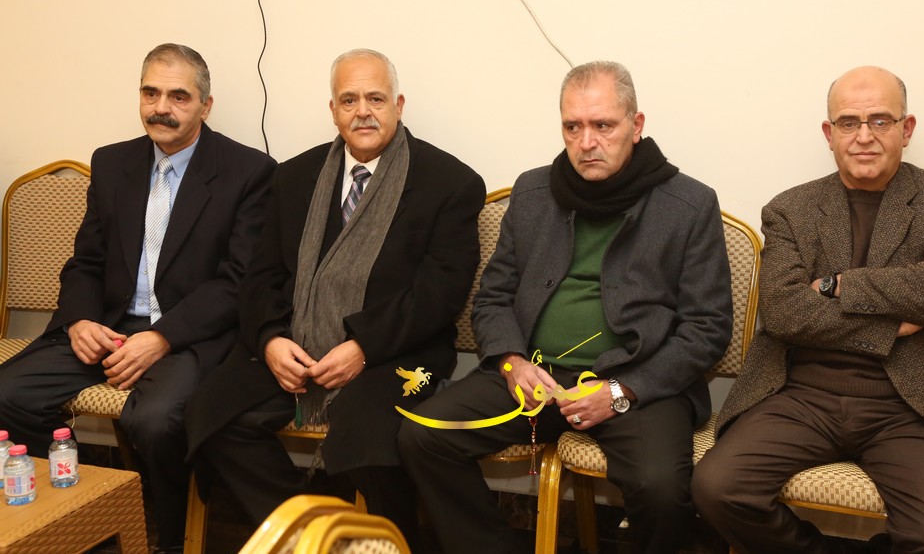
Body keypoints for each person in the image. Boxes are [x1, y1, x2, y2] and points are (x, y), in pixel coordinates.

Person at [398, 60, 734, 553]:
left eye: (603, 125)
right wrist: (511, 362)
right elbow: (493, 297)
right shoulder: (534, 192)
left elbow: (707, 328)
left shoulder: (687, 204)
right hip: (534, 378)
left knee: (661, 488)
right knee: (422, 438)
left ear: (636, 125)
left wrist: (620, 390)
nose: (586, 142)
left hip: (637, 383)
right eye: (572, 127)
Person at [184, 48, 486, 547]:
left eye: (375, 98)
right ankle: (314, 534)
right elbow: (259, 277)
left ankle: (389, 543)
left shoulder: (450, 183)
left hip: (396, 352)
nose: (362, 111)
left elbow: (439, 295)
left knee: (369, 438)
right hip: (295, 345)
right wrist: (270, 341)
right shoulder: (292, 177)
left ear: (398, 105)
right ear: (333, 110)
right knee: (211, 416)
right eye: (349, 100)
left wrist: (363, 348)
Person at [692, 66, 924, 554]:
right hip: (800, 395)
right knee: (717, 489)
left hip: (913, 404)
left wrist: (835, 284)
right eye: (849, 122)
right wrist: (894, 323)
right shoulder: (790, 208)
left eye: (880, 120)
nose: (864, 136)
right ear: (829, 133)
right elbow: (784, 311)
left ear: (906, 129)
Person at [0, 43, 275, 553]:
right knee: (9, 393)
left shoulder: (248, 171)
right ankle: (85, 516)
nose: (160, 107)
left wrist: (162, 337)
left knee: (154, 420)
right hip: (108, 324)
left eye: (178, 96)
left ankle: (166, 540)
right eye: (150, 93)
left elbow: (238, 282)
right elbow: (86, 261)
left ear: (206, 106)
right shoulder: (111, 163)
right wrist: (80, 320)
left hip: (187, 335)